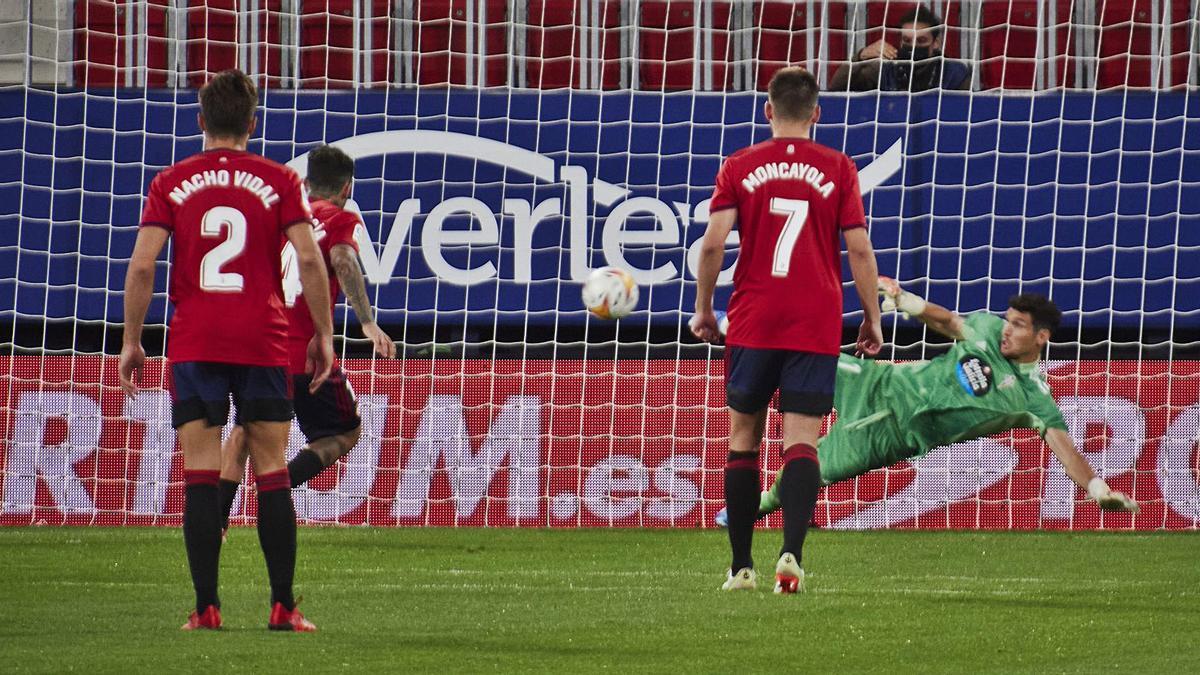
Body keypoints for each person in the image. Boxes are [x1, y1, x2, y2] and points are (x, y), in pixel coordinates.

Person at [118, 69, 334, 632]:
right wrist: (324, 335)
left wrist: (132, 340)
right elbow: (311, 260)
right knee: (270, 470)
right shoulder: (280, 180)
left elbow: (143, 264)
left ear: (201, 122)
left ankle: (206, 608)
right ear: (251, 123)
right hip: (262, 341)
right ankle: (283, 606)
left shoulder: (171, 181)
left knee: (199, 471)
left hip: (195, 341)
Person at [714, 279, 1139, 528]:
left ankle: (750, 508)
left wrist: (1098, 490)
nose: (1006, 330)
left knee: (807, 476)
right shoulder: (988, 331)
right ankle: (740, 328)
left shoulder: (1034, 399)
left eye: (1019, 326)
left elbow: (1064, 445)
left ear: (1041, 338)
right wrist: (907, 301)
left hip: (888, 438)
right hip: (880, 383)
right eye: (1008, 321)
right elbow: (949, 321)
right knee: (809, 354)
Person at [690, 66, 883, 594]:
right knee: (802, 441)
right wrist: (872, 317)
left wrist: (705, 308)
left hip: (754, 317)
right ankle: (792, 556)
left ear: (768, 110)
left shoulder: (740, 165)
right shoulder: (839, 168)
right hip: (815, 319)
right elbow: (859, 248)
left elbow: (712, 244)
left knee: (743, 437)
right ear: (816, 113)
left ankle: (740, 567)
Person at [217, 145, 396, 531]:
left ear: (305, 183)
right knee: (345, 431)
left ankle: (215, 521)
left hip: (258, 347)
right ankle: (276, 489)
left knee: (244, 429)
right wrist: (366, 322)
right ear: (347, 187)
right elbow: (344, 260)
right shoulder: (340, 218)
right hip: (305, 352)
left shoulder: (280, 219)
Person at [830, 7, 971, 92]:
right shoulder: (885, 69)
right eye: (907, 40)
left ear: (936, 43)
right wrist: (860, 56)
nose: (913, 46)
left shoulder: (955, 73)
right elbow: (836, 87)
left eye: (921, 41)